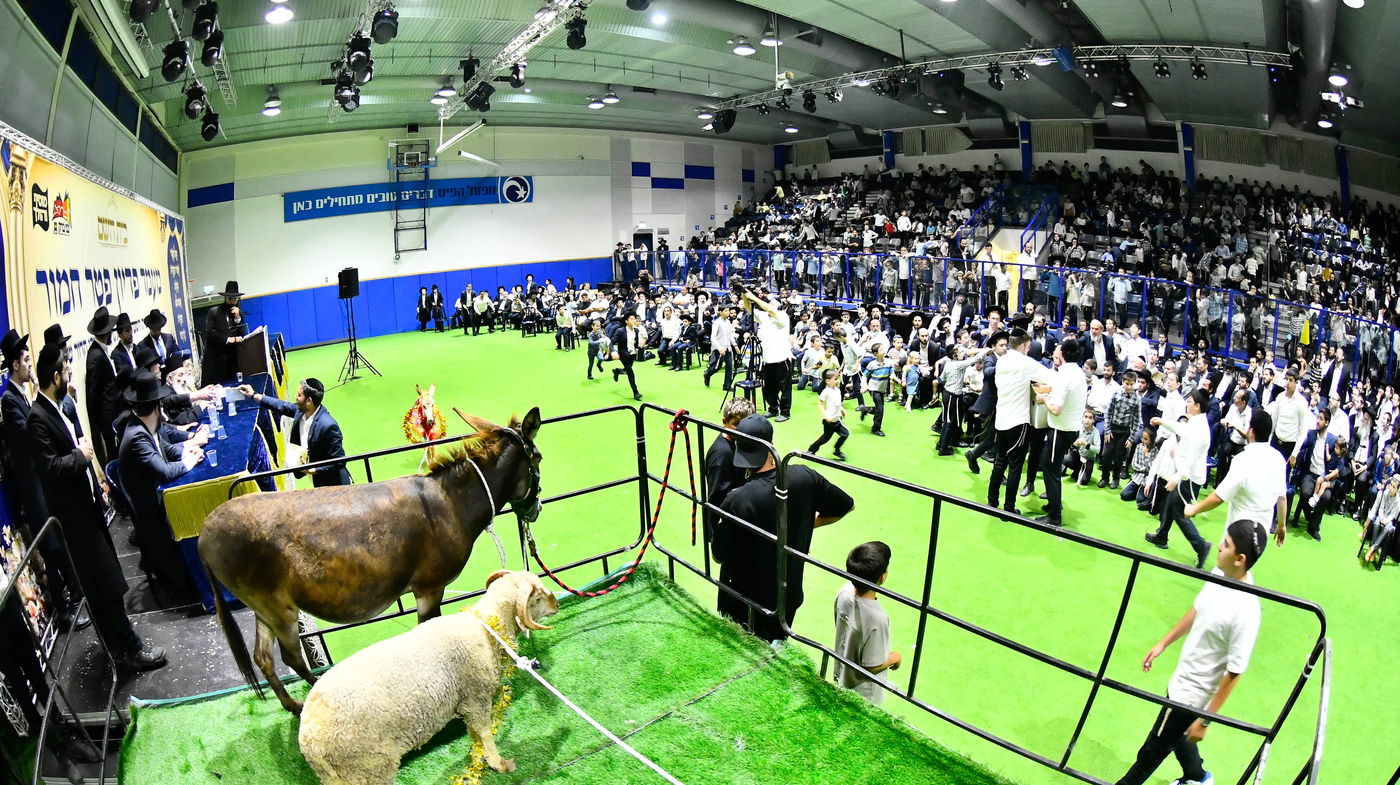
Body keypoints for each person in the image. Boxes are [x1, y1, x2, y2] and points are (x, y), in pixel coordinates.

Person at [27, 343, 167, 672]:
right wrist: (82, 455)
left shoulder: (58, 404)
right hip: (74, 520)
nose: (72, 376)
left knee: (108, 583)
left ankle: (121, 646)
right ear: (56, 375)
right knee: (102, 585)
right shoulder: (37, 418)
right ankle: (128, 649)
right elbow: (51, 469)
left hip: (87, 510)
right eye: (67, 371)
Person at [1114, 520, 1268, 785]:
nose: (1218, 546)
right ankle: (1198, 777)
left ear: (1240, 559)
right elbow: (1198, 608)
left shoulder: (1247, 612)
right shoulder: (1221, 574)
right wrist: (1163, 643)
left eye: (1226, 545)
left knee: (1150, 753)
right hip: (1183, 678)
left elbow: (1235, 671)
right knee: (1178, 735)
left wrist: (1205, 719)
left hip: (1191, 696)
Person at [713, 414, 854, 642]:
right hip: (786, 596)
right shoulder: (804, 477)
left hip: (743, 601)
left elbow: (718, 555)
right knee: (776, 650)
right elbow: (846, 506)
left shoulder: (737, 500)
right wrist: (805, 524)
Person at [117, 369, 205, 603]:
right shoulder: (136, 435)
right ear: (156, 407)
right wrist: (188, 462)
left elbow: (165, 449)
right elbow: (165, 472)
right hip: (152, 511)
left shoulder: (144, 426)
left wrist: (188, 450)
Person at [1185, 410, 1288, 547]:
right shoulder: (1279, 459)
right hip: (1262, 535)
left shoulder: (1243, 459)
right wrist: (1282, 526)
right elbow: (1282, 497)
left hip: (1239, 533)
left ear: (1251, 431)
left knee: (1223, 568)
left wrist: (1194, 509)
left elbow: (1219, 497)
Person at [987, 329, 1056, 514]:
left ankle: (991, 502)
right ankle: (1009, 508)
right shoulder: (1026, 363)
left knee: (999, 462)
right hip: (1018, 421)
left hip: (1001, 419)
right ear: (1025, 345)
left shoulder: (1001, 361)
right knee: (1015, 466)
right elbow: (1050, 377)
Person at [1146, 389, 1215, 569]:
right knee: (1170, 504)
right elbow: (1181, 429)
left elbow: (1190, 461)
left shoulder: (1199, 428)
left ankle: (1201, 546)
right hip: (1187, 474)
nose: (1187, 404)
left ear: (1197, 406)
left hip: (1188, 478)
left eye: (1190, 401)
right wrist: (1163, 421)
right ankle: (1161, 536)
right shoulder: (1196, 422)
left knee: (1179, 512)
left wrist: (1175, 479)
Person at [239, 377, 352, 486]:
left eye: (299, 395)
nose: (295, 397)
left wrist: (314, 470)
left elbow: (339, 461)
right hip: (316, 478)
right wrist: (253, 394)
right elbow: (280, 405)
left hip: (334, 483)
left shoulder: (328, 426)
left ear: (309, 400)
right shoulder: (301, 411)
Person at [833, 541, 900, 705]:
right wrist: (895, 657)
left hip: (841, 674)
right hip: (864, 693)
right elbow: (872, 665)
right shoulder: (877, 619)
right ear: (882, 577)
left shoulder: (843, 592)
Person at [1037, 339, 1088, 527]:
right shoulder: (1079, 373)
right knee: (1051, 466)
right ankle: (1053, 504)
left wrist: (1044, 399)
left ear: (1063, 355)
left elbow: (1056, 409)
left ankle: (1054, 514)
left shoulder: (1063, 376)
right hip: (1071, 428)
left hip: (1061, 429)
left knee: (1050, 469)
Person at [703, 398, 756, 545]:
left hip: (740, 514)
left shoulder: (738, 441)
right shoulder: (721, 455)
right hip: (728, 523)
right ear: (724, 421)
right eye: (737, 424)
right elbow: (717, 499)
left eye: (745, 425)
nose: (742, 430)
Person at [742, 286, 793, 422]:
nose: (770, 305)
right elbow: (749, 309)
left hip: (782, 359)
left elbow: (770, 309)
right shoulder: (764, 317)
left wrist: (755, 298)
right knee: (768, 387)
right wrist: (744, 294)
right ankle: (773, 409)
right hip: (767, 359)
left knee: (785, 388)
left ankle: (785, 412)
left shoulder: (782, 317)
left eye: (772, 303)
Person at [201, 280, 247, 385]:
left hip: (232, 359)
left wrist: (237, 318)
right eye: (230, 299)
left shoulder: (238, 313)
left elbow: (242, 333)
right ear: (225, 298)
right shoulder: (214, 312)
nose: (232, 302)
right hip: (217, 358)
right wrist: (227, 339)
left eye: (235, 299)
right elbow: (210, 334)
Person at [808, 370, 850, 461]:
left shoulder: (838, 390)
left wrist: (842, 409)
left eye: (838, 378)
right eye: (835, 379)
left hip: (837, 420)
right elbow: (819, 404)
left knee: (845, 434)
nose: (838, 380)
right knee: (825, 438)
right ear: (828, 381)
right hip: (829, 422)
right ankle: (811, 450)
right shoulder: (826, 392)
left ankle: (837, 450)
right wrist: (825, 415)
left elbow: (837, 403)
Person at [138, 309, 185, 376]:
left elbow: (176, 354)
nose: (157, 332)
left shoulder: (169, 338)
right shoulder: (143, 345)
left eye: (158, 329)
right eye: (154, 330)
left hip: (172, 375)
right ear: (149, 328)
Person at [609, 311, 644, 401]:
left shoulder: (636, 330)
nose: (634, 321)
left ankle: (617, 371)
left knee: (627, 370)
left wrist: (637, 348)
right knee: (630, 371)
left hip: (632, 353)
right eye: (631, 319)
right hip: (623, 353)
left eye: (634, 319)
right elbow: (611, 342)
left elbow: (635, 341)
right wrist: (613, 352)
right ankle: (635, 392)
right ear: (626, 321)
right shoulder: (620, 330)